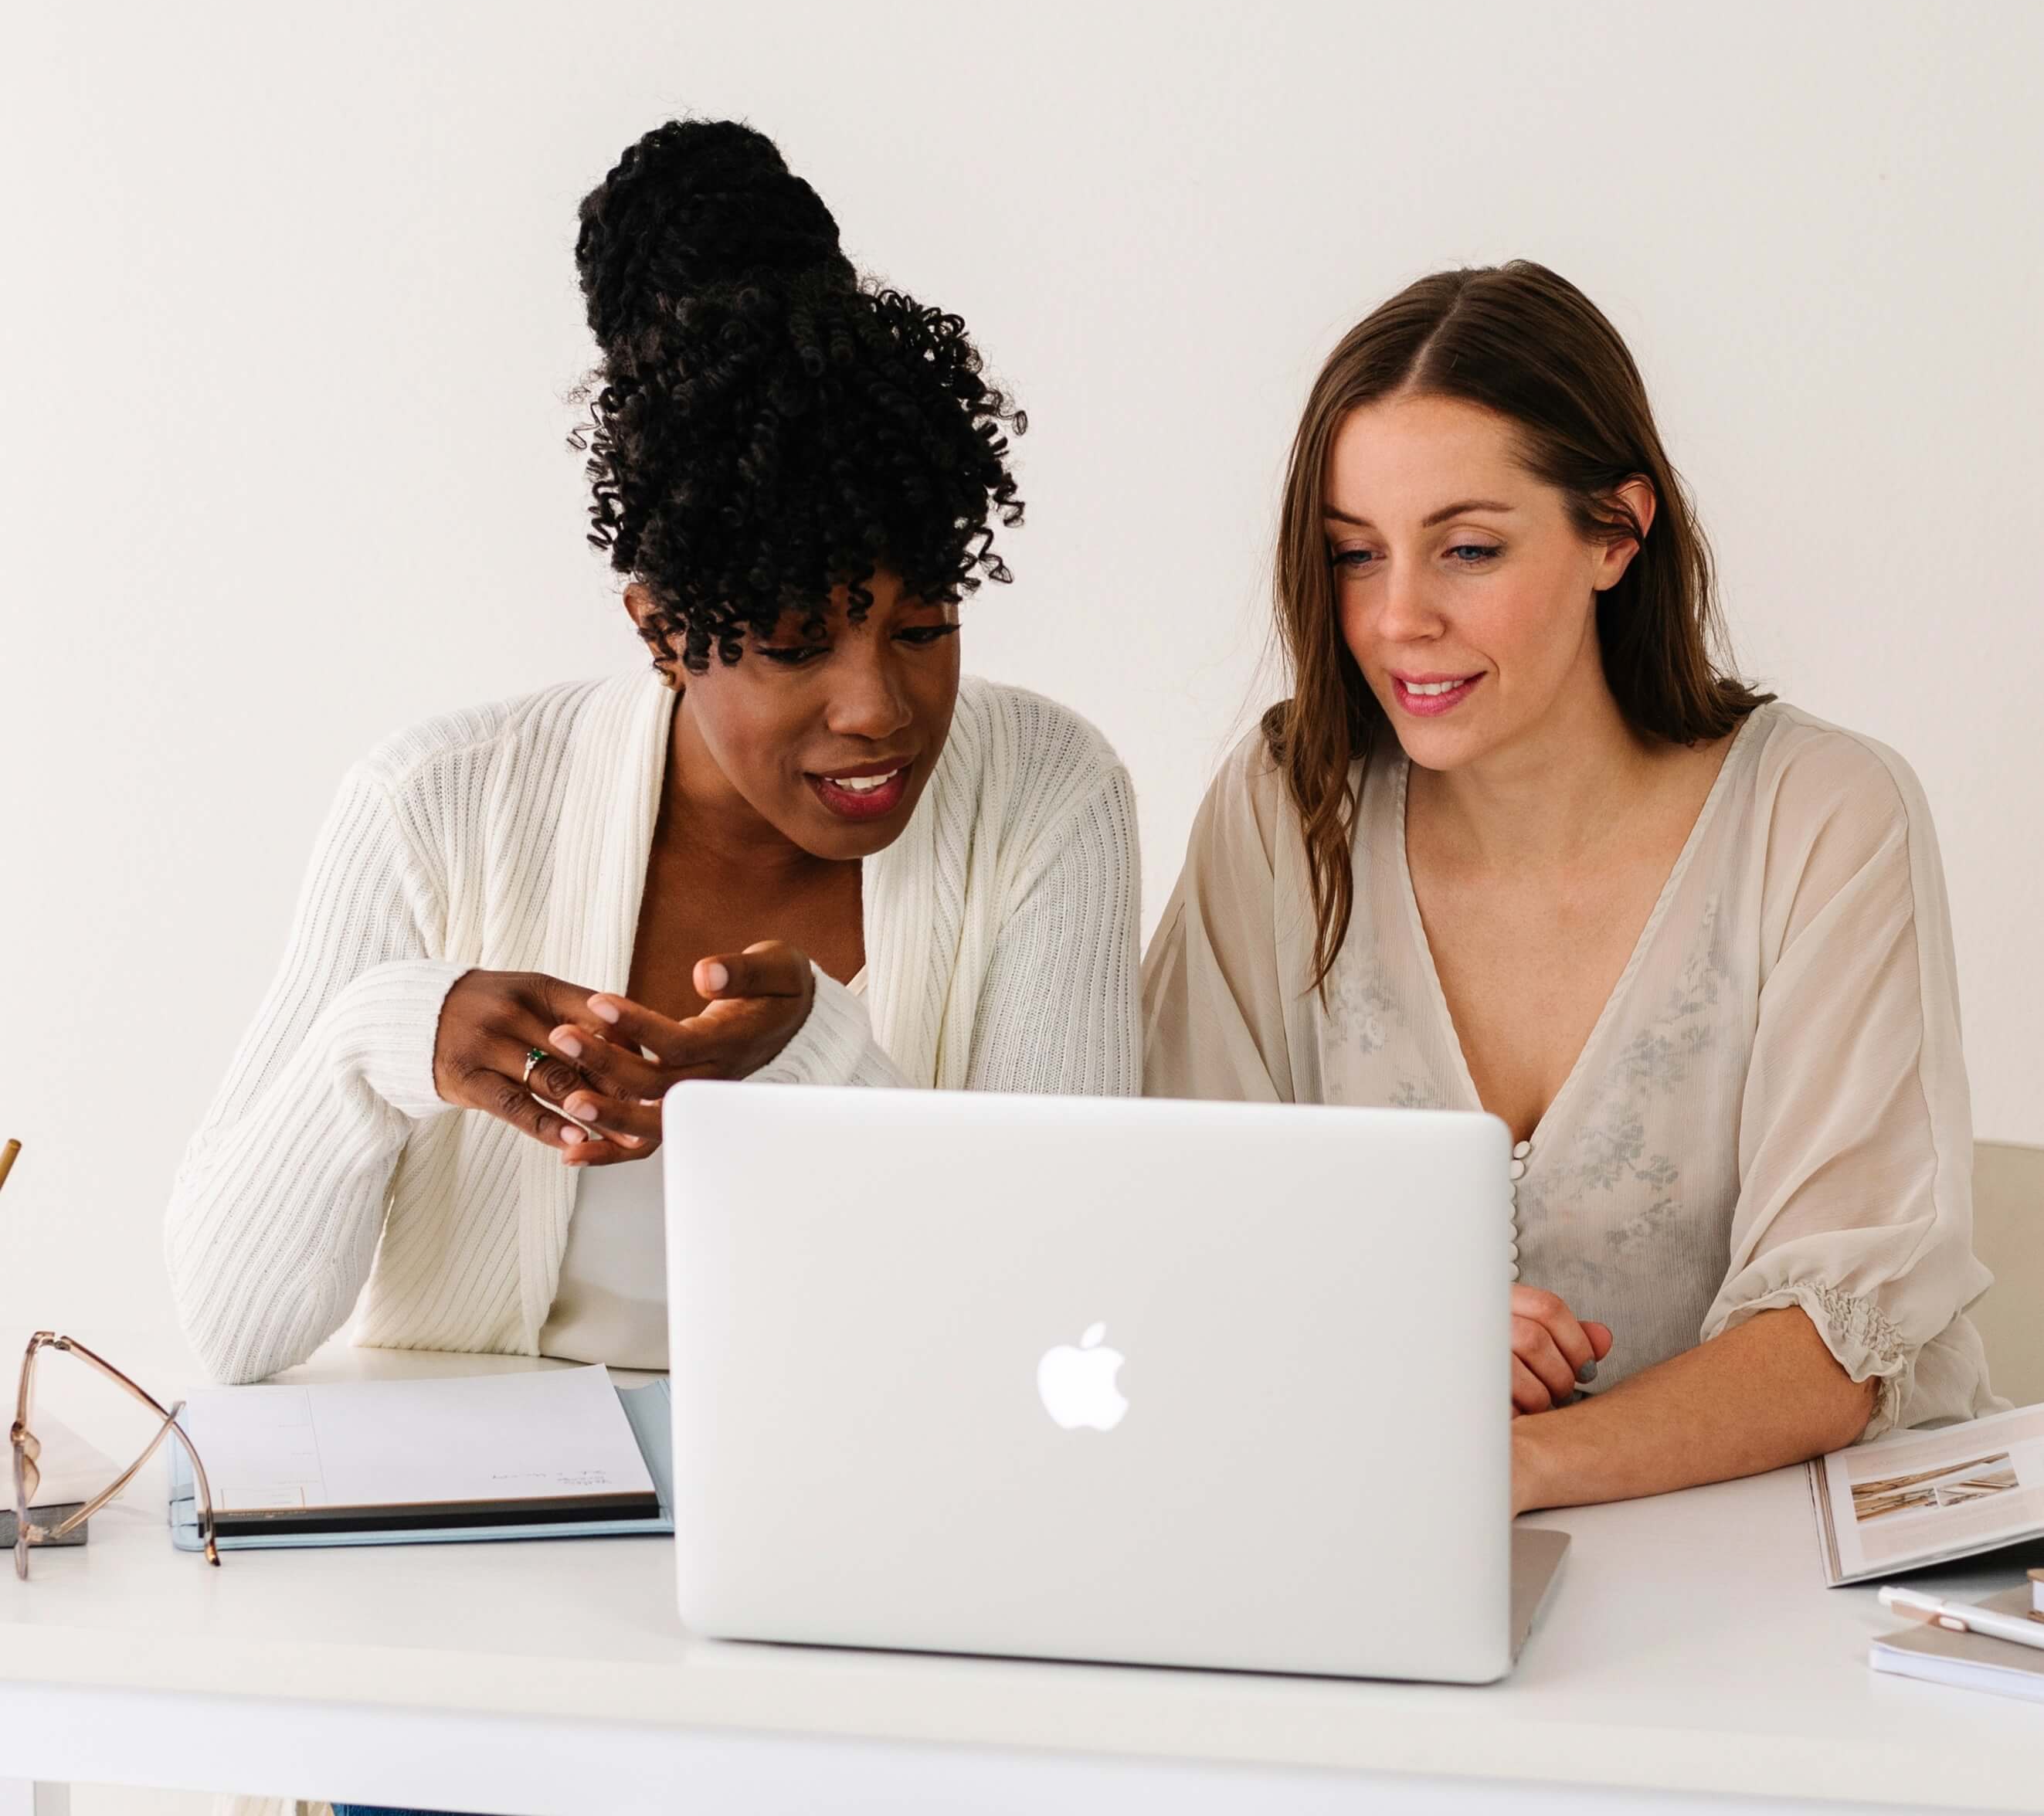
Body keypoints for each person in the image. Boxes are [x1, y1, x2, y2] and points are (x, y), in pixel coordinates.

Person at [168, 117, 1140, 1399]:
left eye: (922, 628)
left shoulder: (1047, 797)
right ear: (663, 632)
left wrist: (811, 1053)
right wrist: (385, 1038)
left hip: (874, 1498)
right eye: (794, 644)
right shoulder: (436, 806)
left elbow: (1051, 1310)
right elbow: (231, 1332)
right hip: (487, 1516)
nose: (876, 708)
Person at [1144, 261, 1997, 1517]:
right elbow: (1183, 1234)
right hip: (1390, 1545)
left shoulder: (1822, 814)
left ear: (1615, 531)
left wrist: (1505, 1464)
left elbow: (1832, 1346)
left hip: (1801, 1577)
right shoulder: (1285, 812)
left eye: (1467, 549)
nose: (1396, 618)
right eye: (1353, 554)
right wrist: (1399, 1330)